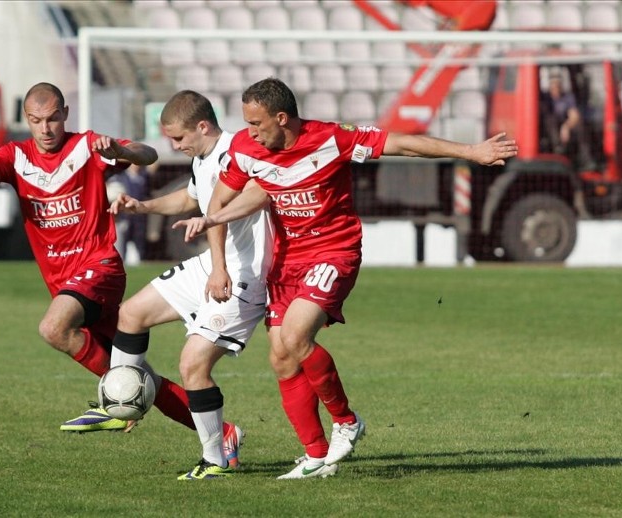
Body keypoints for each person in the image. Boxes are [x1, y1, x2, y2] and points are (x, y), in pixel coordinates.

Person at [174, 77, 518, 479]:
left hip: (333, 251)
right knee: (281, 358)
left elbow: (403, 143)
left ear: (281, 118)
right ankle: (316, 456)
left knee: (296, 337)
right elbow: (245, 195)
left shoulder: (332, 139)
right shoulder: (247, 150)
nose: (248, 132)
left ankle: (347, 420)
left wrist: (471, 151)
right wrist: (213, 224)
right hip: (286, 261)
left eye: (255, 123)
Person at [63, 90, 273, 480]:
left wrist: (221, 268)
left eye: (178, 138)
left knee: (192, 364)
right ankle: (122, 403)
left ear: (203, 126)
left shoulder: (239, 153)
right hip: (214, 262)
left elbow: (228, 210)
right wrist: (144, 207)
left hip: (244, 272)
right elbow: (191, 199)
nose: (174, 146)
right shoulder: (202, 158)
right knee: (132, 313)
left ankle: (216, 456)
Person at [0, 81, 158, 425]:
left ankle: (116, 395)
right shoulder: (15, 156)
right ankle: (220, 433)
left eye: (53, 119)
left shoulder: (87, 146)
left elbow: (149, 154)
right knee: (139, 372)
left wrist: (121, 151)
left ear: (65, 114)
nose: (45, 128)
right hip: (63, 281)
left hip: (99, 267)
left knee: (53, 328)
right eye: (36, 120)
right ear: (26, 119)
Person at [544, 70, 595, 170]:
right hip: (550, 128)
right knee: (550, 119)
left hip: (564, 126)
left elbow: (574, 115)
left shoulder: (568, 97)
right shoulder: (545, 98)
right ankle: (558, 149)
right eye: (553, 84)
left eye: (558, 84)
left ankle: (586, 160)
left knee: (580, 126)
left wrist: (566, 127)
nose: (556, 87)